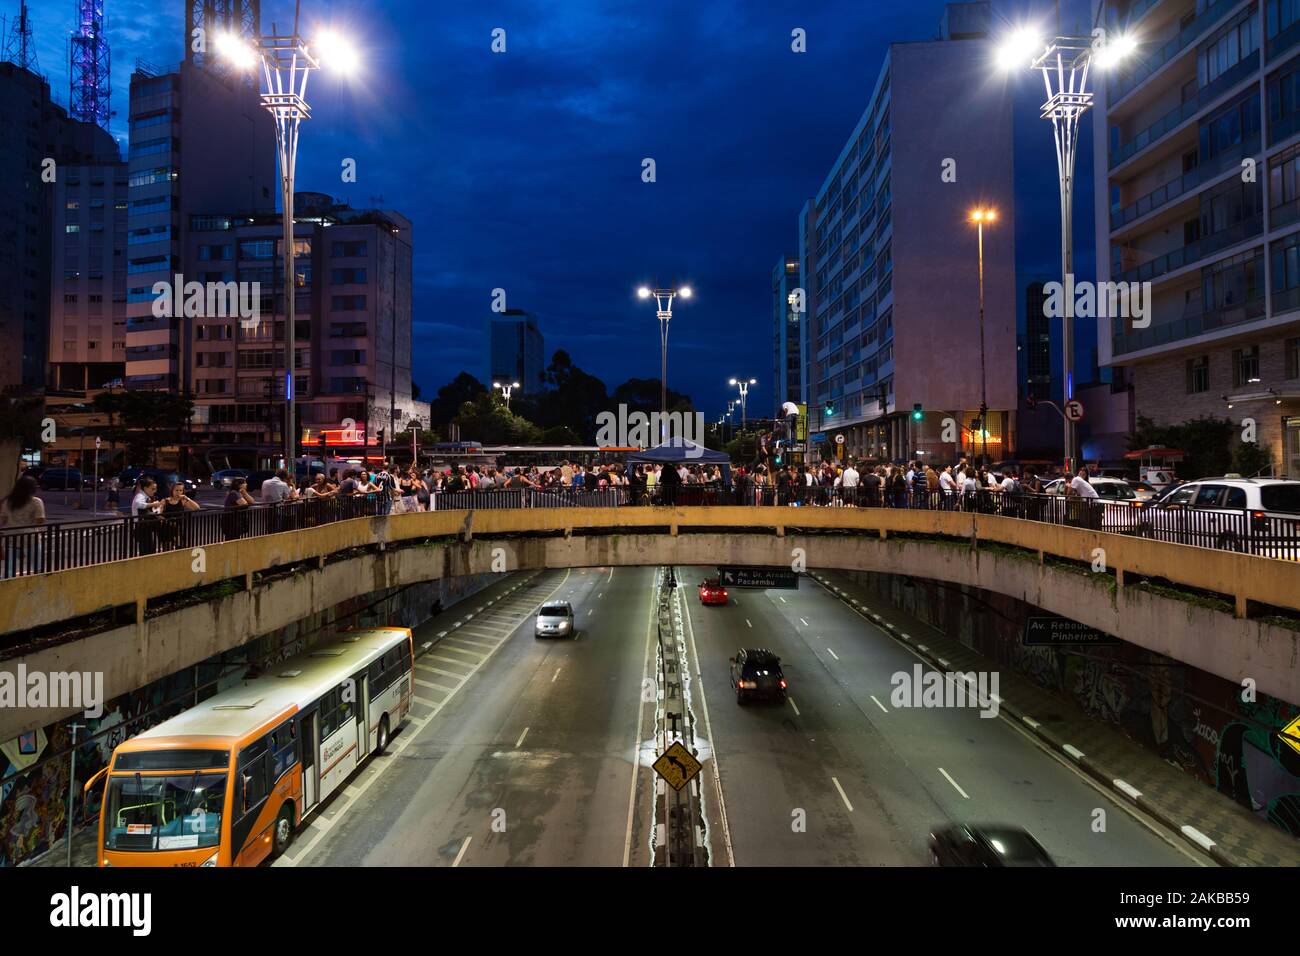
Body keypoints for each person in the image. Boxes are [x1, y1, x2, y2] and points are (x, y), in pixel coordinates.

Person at [0, 476, 46, 577]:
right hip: (30, 539)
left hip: (11, 538)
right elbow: (40, 520)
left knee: (9, 570)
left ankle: (8, 589)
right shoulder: (36, 501)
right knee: (38, 568)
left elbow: (3, 520)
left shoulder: (8, 501)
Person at [158, 481, 201, 550]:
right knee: (167, 549)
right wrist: (167, 521)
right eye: (176, 490)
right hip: (166, 528)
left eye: (180, 490)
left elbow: (197, 508)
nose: (178, 492)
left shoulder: (182, 501)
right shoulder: (165, 501)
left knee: (180, 547)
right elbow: (158, 514)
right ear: (172, 490)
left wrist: (187, 498)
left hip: (178, 528)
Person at [131, 477, 164, 555]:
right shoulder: (140, 496)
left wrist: (156, 507)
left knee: (149, 549)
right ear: (145, 488)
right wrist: (153, 504)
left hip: (145, 526)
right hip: (141, 527)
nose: (154, 491)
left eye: (155, 489)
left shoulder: (146, 497)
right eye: (152, 489)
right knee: (146, 550)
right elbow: (138, 504)